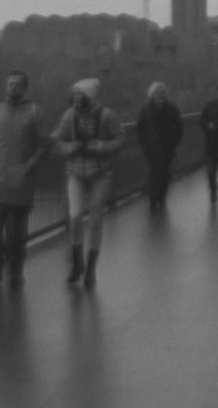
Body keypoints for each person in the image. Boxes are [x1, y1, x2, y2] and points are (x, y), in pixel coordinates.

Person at [0, 70, 52, 289]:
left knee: (18, 230)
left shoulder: (35, 112)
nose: (13, 88)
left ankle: (15, 271)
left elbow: (45, 142)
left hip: (22, 177)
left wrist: (30, 165)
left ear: (25, 88)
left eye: (18, 84)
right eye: (10, 84)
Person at [54, 78, 125, 288]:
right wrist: (68, 148)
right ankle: (77, 263)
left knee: (95, 220)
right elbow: (60, 138)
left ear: (90, 97)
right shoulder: (69, 115)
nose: (75, 99)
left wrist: (102, 146)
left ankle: (91, 268)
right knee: (75, 216)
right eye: (74, 95)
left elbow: (121, 138)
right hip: (75, 171)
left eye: (79, 95)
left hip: (100, 173)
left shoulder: (107, 116)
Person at [136, 81, 184, 212]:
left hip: (168, 147)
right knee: (155, 173)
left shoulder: (172, 107)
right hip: (152, 148)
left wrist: (174, 141)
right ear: (152, 94)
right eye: (158, 93)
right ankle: (153, 200)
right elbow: (140, 127)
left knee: (165, 173)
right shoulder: (146, 109)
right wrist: (145, 143)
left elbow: (179, 125)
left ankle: (161, 196)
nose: (161, 95)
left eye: (163, 92)